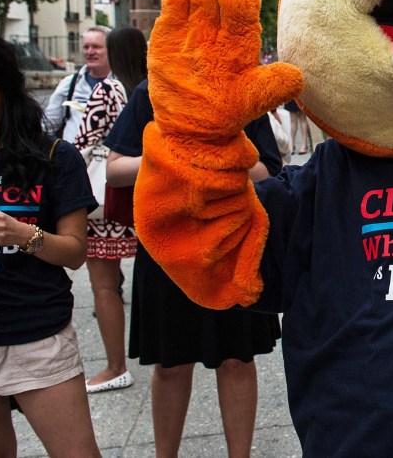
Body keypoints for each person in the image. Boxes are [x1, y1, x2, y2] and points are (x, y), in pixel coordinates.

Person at [106, 79, 281, 458]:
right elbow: (115, 169)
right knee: (171, 363)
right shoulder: (152, 90)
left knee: (237, 359)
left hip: (231, 245)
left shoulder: (240, 90)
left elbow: (269, 168)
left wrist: (218, 163)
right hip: (167, 249)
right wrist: (170, 157)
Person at [0, 27, 101, 457]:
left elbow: (74, 254)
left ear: (1, 80)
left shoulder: (53, 157)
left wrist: (23, 236)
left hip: (36, 336)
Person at [80, 27, 147, 393]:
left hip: (105, 201)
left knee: (104, 285)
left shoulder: (106, 90)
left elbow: (83, 142)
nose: (90, 53)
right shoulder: (146, 85)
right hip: (140, 199)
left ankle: (115, 365)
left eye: (96, 47)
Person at [43, 26, 112, 139]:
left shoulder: (121, 85)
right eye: (86, 47)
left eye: (96, 47)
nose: (90, 52)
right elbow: (48, 125)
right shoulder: (69, 84)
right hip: (73, 155)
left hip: (108, 155)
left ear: (111, 49)